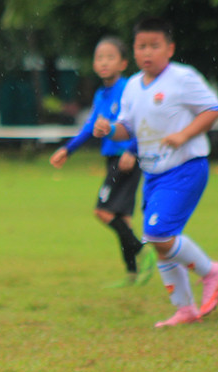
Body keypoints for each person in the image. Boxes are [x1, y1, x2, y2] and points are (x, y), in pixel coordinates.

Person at [94, 17, 218, 327]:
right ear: (134, 49)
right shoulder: (131, 86)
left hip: (185, 168)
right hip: (153, 172)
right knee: (158, 239)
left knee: (157, 234)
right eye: (141, 46)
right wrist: (109, 129)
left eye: (155, 46)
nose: (147, 52)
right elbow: (126, 128)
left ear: (170, 48)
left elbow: (213, 109)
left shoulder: (183, 78)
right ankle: (185, 309)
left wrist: (183, 135)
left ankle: (212, 272)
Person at [50, 37, 153, 287]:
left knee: (103, 211)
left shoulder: (129, 88)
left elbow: (142, 121)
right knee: (122, 218)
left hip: (126, 158)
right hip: (111, 158)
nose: (104, 62)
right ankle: (133, 274)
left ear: (123, 62)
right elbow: (90, 126)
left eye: (110, 57)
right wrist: (68, 149)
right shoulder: (101, 94)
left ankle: (144, 251)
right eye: (99, 57)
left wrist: (132, 150)